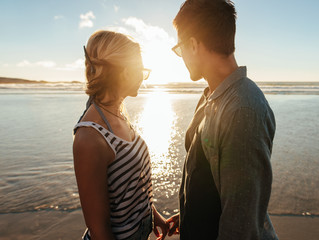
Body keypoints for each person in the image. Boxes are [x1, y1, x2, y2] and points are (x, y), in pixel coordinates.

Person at [166, 0, 278, 239]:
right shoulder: (211, 95)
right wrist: (189, 216)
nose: (180, 56)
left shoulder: (242, 111)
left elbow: (241, 225)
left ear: (194, 44)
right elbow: (207, 178)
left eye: (180, 48)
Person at [73, 30, 169, 240]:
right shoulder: (89, 137)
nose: (143, 78)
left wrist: (153, 217)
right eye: (141, 70)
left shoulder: (117, 112)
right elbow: (99, 230)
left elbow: (131, 184)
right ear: (124, 71)